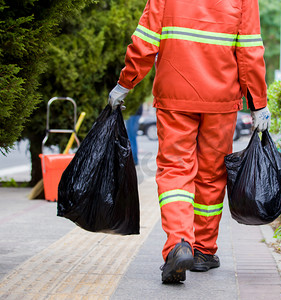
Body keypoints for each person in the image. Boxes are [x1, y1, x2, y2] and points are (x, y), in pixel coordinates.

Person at [108, 0, 270, 283]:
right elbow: (250, 51)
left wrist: (127, 82)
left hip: (174, 93)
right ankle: (204, 252)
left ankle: (179, 245)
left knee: (175, 170)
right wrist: (258, 102)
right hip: (221, 98)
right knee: (212, 175)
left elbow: (146, 38)